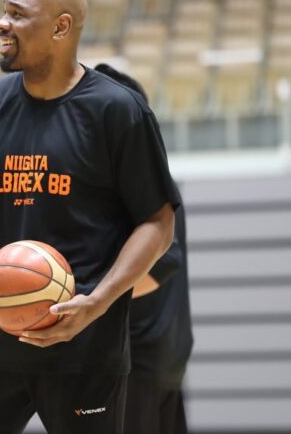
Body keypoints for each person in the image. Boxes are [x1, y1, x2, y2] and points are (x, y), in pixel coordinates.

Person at [0, 0, 180, 434]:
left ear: (61, 28)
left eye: (17, 14)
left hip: (84, 350)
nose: (1, 24)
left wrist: (95, 303)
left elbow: (157, 224)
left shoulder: (117, 111)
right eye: (4, 11)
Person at [93, 63, 193, 434]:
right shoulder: (154, 177)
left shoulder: (135, 185)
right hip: (164, 356)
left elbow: (161, 264)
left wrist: (88, 297)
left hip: (139, 360)